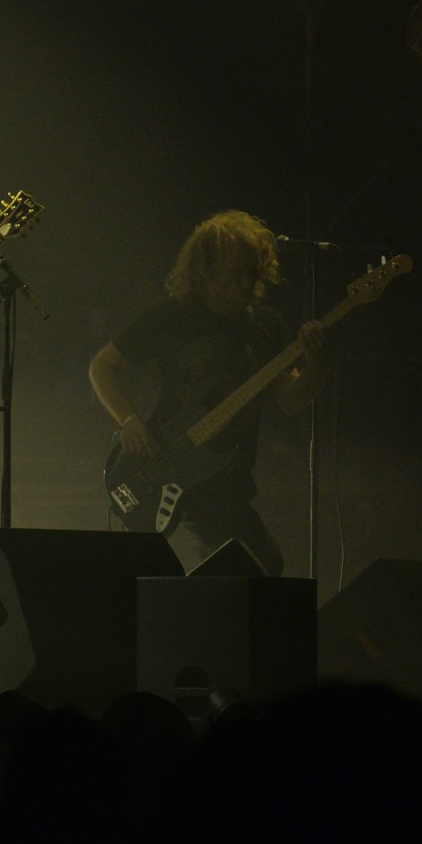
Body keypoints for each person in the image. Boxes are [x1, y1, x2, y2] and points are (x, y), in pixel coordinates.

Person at [88, 209, 325, 576]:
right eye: (234, 275)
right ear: (206, 272)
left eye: (252, 273)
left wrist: (316, 364)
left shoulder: (265, 325)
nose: (246, 285)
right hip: (167, 462)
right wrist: (130, 421)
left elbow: (293, 399)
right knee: (255, 566)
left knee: (260, 568)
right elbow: (101, 367)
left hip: (228, 479)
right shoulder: (170, 318)